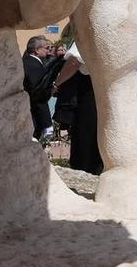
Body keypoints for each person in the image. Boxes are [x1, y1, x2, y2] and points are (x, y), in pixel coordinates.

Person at [52, 43, 99, 174]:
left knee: (85, 136)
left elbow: (75, 61)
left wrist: (56, 84)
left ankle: (84, 170)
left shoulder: (88, 33)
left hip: (88, 90)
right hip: (104, 88)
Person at [21, 34, 59, 140]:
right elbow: (38, 91)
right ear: (37, 50)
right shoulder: (32, 64)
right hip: (34, 114)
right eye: (47, 48)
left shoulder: (31, 62)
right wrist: (52, 90)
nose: (49, 50)